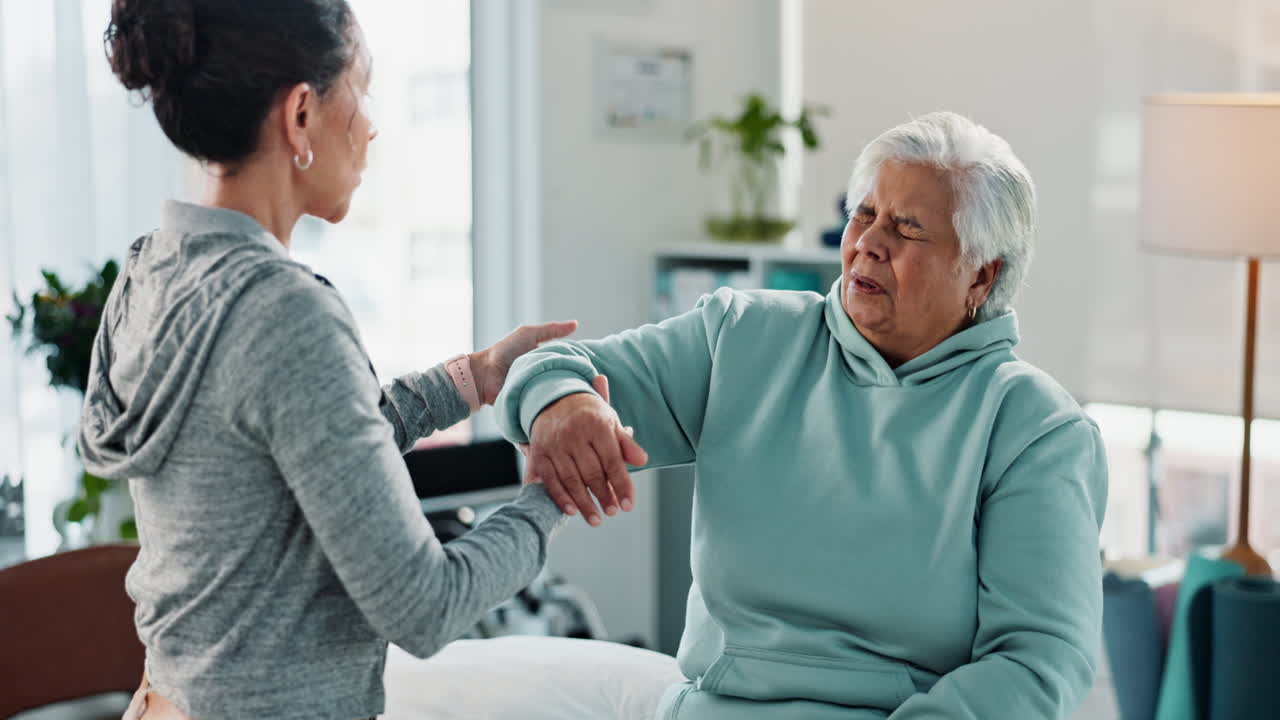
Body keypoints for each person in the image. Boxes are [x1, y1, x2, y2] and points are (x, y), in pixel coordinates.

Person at [77, 2, 604, 718]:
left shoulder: (151, 272)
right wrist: (552, 498)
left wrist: (472, 379)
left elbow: (301, 453)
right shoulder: (283, 312)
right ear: (300, 116)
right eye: (362, 87)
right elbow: (425, 606)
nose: (372, 124)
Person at [497, 112, 1109, 719]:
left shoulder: (1035, 429)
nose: (870, 242)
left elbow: (1035, 660)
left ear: (981, 274)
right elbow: (555, 365)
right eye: (863, 215)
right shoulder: (743, 338)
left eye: (908, 228)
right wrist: (561, 403)